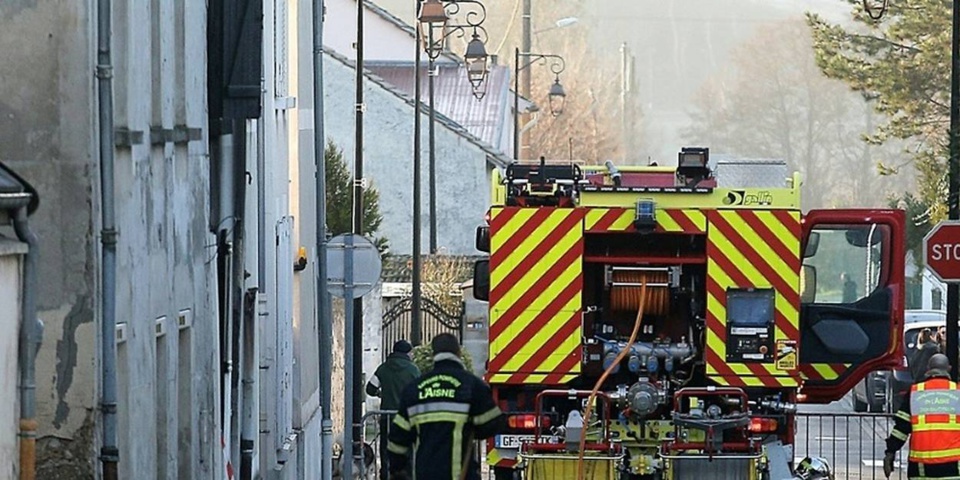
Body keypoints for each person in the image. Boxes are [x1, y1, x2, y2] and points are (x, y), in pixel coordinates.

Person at [387, 333, 506, 480]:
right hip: (462, 474)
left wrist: (398, 470)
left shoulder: (415, 390)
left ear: (434, 353)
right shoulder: (472, 386)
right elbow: (494, 423)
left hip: (424, 474)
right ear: (458, 353)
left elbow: (397, 440)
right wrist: (471, 429)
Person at [884, 354, 960, 479]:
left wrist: (890, 452)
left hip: (920, 467)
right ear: (949, 369)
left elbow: (901, 429)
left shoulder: (915, 393)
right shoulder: (957, 393)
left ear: (928, 369)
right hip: (953, 465)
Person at [366, 340, 420, 480]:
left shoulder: (383, 368)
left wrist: (380, 393)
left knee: (386, 450)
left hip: (387, 417)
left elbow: (370, 388)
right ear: (407, 353)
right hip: (407, 418)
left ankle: (386, 476)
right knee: (408, 450)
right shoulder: (413, 370)